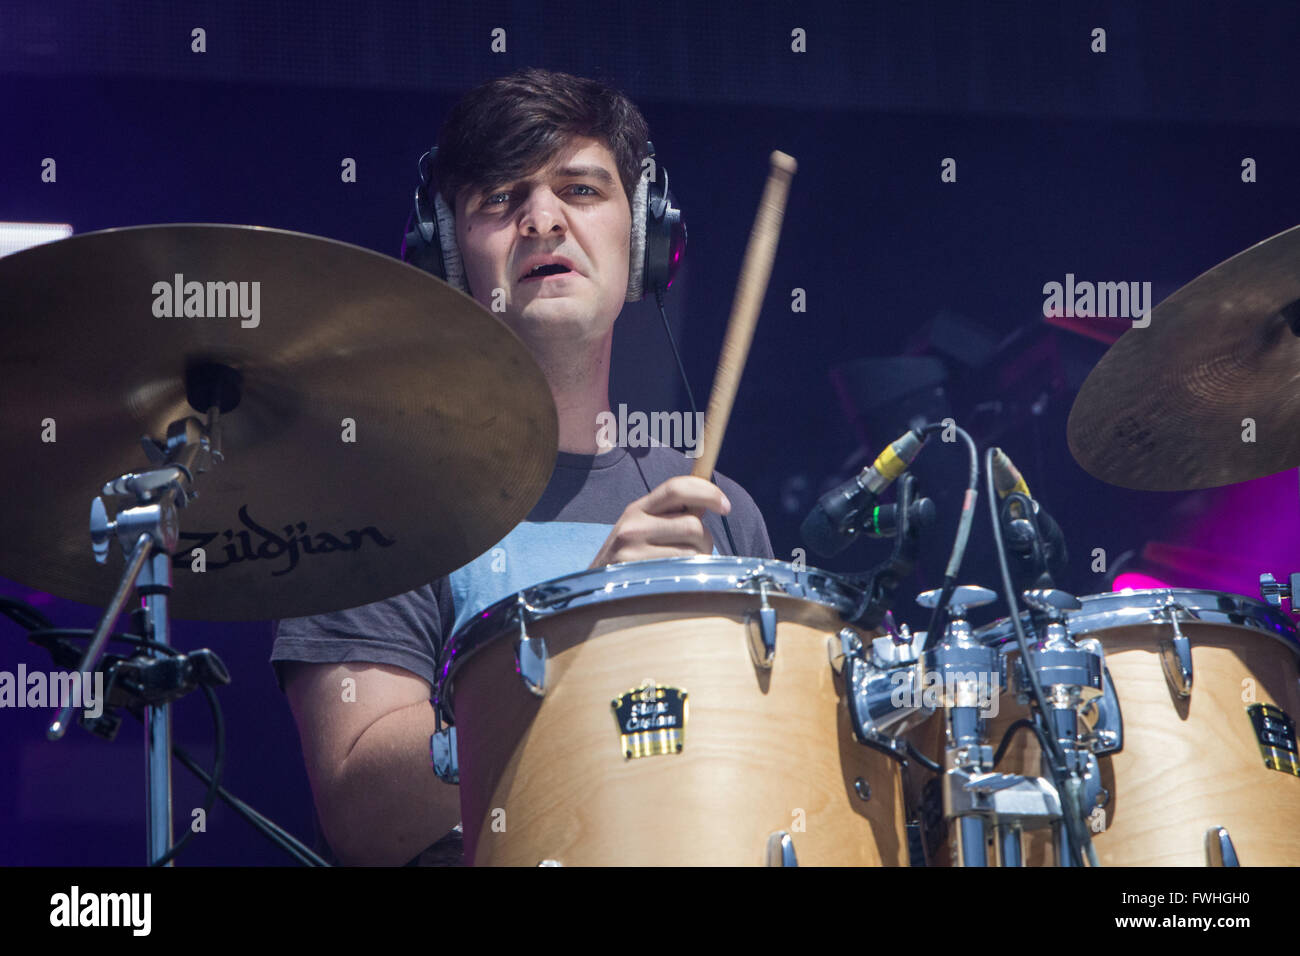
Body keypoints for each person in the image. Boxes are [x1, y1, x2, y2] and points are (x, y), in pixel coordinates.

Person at [271, 68, 773, 866]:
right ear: (447, 251)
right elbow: (364, 814)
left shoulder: (715, 510)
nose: (542, 219)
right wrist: (580, 643)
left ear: (643, 236)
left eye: (579, 189)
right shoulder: (375, 502)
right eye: (501, 200)